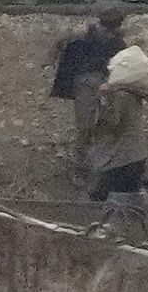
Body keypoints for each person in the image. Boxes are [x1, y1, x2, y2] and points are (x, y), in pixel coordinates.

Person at [50, 10, 128, 176]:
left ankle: (101, 164)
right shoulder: (84, 35)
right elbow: (60, 43)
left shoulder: (116, 41)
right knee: (85, 125)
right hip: (86, 82)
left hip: (107, 83)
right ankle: (81, 165)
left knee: (108, 124)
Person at [85, 70, 148, 204]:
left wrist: (105, 98)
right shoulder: (133, 95)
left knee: (99, 194)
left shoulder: (120, 96)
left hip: (123, 158)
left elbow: (112, 122)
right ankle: (144, 190)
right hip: (136, 155)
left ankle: (145, 190)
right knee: (125, 194)